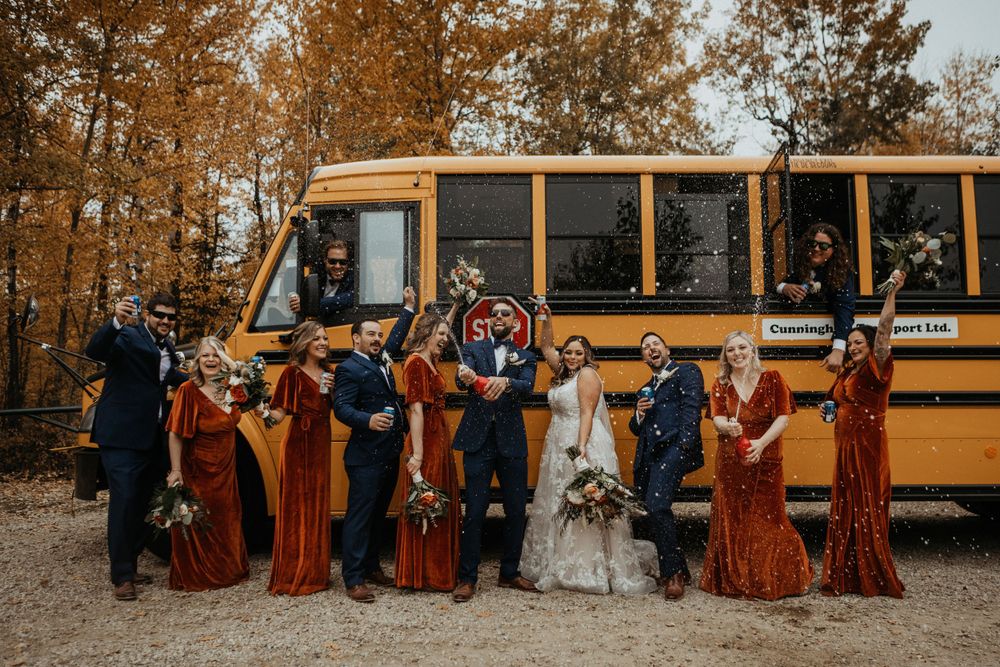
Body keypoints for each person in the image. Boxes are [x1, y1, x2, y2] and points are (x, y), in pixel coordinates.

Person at [520, 304, 657, 595]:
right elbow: (546, 347)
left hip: (581, 441)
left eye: (578, 353)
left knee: (583, 502)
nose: (572, 357)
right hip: (557, 445)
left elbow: (586, 413)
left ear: (587, 356)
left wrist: (580, 447)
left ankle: (589, 566)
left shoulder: (587, 376)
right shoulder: (564, 373)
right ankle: (560, 560)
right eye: (568, 352)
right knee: (561, 500)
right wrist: (546, 318)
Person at [85, 292, 187, 601]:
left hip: (151, 436)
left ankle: (130, 559)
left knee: (152, 501)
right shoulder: (127, 336)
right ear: (147, 315)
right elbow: (96, 350)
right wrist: (116, 321)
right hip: (121, 436)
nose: (165, 321)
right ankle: (122, 576)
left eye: (171, 317)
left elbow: (168, 377)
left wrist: (211, 380)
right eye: (160, 315)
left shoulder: (167, 347)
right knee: (124, 502)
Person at [700, 331, 813, 600]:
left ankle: (773, 578)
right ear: (725, 355)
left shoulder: (773, 379)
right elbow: (717, 418)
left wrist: (761, 443)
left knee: (771, 518)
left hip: (767, 458)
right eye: (730, 350)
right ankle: (740, 578)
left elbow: (783, 418)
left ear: (752, 350)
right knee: (734, 520)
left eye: (742, 347)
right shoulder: (721, 384)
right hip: (732, 461)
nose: (737, 353)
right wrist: (727, 427)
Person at [820, 270, 907, 598]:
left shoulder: (876, 368)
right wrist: (827, 409)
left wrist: (892, 292)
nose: (853, 346)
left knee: (866, 505)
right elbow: (835, 402)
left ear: (871, 346)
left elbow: (884, 329)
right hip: (845, 448)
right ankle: (847, 575)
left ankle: (871, 575)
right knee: (846, 508)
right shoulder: (848, 371)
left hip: (867, 446)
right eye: (851, 342)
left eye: (859, 342)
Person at [451, 299, 539, 603]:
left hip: (511, 442)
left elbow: (528, 386)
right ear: (489, 321)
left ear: (516, 322)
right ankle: (467, 578)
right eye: (494, 314)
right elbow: (462, 377)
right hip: (478, 441)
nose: (499, 317)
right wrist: (465, 375)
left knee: (516, 511)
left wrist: (507, 381)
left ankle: (509, 572)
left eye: (505, 313)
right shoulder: (473, 349)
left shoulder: (526, 355)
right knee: (475, 512)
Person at [333, 287, 417, 602]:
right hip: (365, 456)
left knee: (379, 515)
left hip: (389, 452)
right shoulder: (348, 368)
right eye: (371, 334)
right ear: (356, 338)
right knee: (360, 517)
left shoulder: (380, 358)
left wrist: (408, 309)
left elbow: (394, 340)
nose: (377, 339)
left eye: (379, 334)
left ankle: (371, 567)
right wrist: (367, 420)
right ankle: (353, 578)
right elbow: (341, 408)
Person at [164, 337, 249, 591]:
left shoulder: (232, 388)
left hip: (226, 468)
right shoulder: (188, 391)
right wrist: (176, 470)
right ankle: (201, 573)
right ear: (197, 361)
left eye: (216, 355)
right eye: (205, 355)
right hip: (198, 469)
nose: (211, 360)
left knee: (227, 516)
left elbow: (250, 388)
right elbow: (175, 433)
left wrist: (230, 365)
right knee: (202, 517)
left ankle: (227, 570)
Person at [628, 332, 704, 601]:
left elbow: (692, 410)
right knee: (651, 508)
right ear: (644, 357)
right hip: (648, 457)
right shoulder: (644, 389)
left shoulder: (687, 371)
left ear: (667, 349)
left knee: (658, 505)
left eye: (655, 344)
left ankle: (673, 575)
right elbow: (635, 428)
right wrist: (639, 413)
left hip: (673, 449)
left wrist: (683, 447)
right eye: (645, 347)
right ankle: (681, 567)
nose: (651, 348)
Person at [266, 320, 336, 596]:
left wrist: (335, 390)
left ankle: (316, 572)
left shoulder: (330, 373)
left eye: (325, 338)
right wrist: (258, 406)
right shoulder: (291, 373)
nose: (322, 343)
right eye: (316, 338)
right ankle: (293, 572)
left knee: (317, 503)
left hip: (321, 441)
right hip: (298, 443)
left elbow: (337, 408)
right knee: (296, 506)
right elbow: (278, 416)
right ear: (304, 343)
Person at [394, 304, 461, 591]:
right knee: (428, 498)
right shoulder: (417, 363)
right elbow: (416, 409)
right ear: (427, 334)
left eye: (446, 334)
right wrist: (418, 455)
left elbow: (444, 325)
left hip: (437, 435)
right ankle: (425, 574)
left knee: (437, 498)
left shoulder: (430, 359)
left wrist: (456, 304)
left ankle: (435, 570)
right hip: (427, 440)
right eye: (441, 334)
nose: (445, 339)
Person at [777, 223, 857, 374]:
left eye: (824, 246)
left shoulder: (841, 272)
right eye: (812, 243)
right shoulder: (797, 263)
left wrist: (838, 349)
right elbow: (771, 284)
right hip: (793, 338)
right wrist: (784, 288)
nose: (816, 248)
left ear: (834, 250)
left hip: (820, 341)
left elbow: (844, 308)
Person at [289, 240, 354, 324]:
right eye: (332, 262)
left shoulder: (354, 278)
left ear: (348, 263)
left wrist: (310, 305)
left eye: (343, 262)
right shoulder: (314, 274)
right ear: (325, 261)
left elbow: (350, 298)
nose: (337, 266)